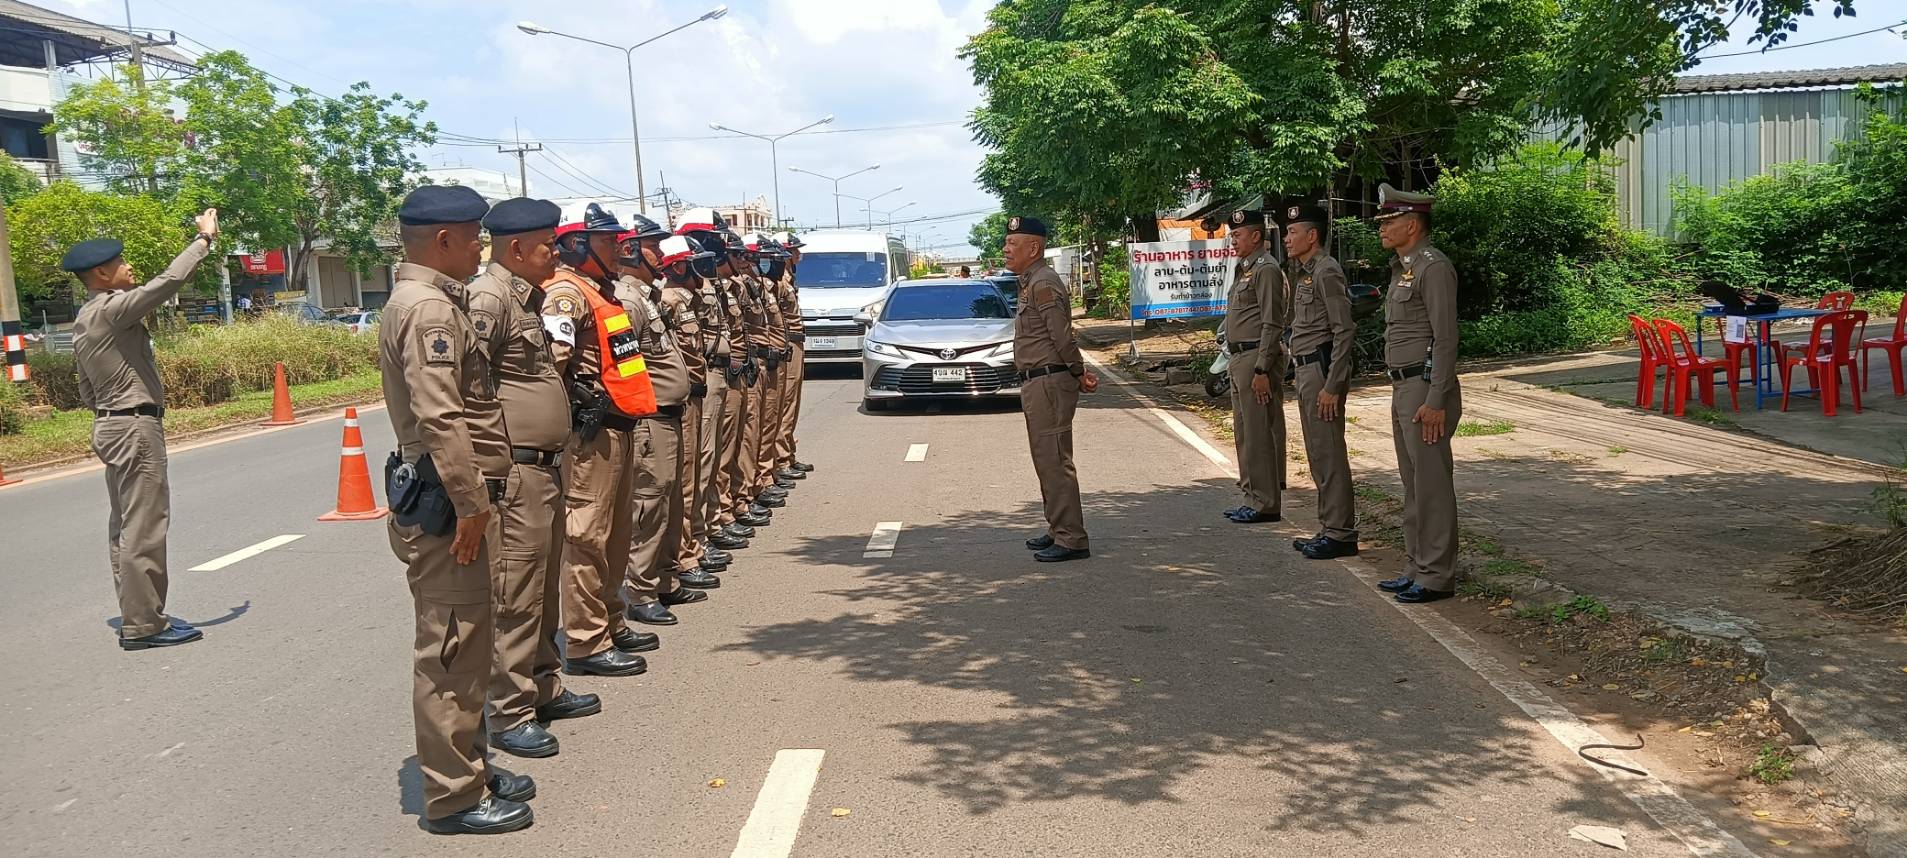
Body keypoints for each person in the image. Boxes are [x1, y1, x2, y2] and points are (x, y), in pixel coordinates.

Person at [379, 185, 535, 835]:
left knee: (469, 645)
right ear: (444, 240)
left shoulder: (434, 301)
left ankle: (471, 765)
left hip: (457, 498)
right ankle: (453, 795)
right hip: (449, 504)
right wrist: (472, 506)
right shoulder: (428, 310)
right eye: (475, 238)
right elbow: (440, 416)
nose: (481, 249)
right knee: (449, 650)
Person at [465, 198, 602, 760]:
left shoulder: (528, 297)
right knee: (516, 593)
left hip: (544, 467)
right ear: (517, 247)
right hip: (515, 470)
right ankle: (510, 709)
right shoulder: (489, 299)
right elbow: (469, 390)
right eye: (548, 245)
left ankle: (543, 684)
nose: (557, 253)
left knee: (543, 587)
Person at [69, 207, 219, 650]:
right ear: (102, 273)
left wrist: (111, 413)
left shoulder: (86, 317)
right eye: (121, 262)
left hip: (111, 424)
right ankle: (145, 626)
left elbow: (85, 386)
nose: (129, 266)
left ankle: (139, 614)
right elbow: (167, 283)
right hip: (133, 426)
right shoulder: (112, 309)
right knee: (145, 526)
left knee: (126, 526)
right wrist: (203, 240)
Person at [542, 204, 657, 675]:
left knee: (616, 534)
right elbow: (552, 369)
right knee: (586, 536)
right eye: (606, 240)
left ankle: (610, 620)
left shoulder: (599, 291)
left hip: (618, 428)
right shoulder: (566, 294)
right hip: (592, 436)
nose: (617, 247)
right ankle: (586, 641)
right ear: (576, 244)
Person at [1372, 184, 1462, 604]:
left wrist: (1437, 399)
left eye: (1388, 221)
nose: (1382, 229)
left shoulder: (1433, 267)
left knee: (1431, 485)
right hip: (1403, 386)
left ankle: (1437, 574)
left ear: (1412, 225)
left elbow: (1445, 338)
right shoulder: (1403, 268)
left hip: (1425, 389)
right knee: (1412, 483)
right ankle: (1417, 565)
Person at [616, 231, 711, 629]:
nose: (660, 253)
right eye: (653, 246)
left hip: (670, 414)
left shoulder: (648, 297)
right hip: (650, 419)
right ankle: (641, 591)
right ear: (631, 251)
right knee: (650, 505)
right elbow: (627, 367)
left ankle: (666, 578)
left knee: (671, 500)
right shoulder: (627, 300)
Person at [1006, 216, 1096, 562]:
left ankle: (1071, 537)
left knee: (1055, 460)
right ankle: (1058, 527)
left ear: (1034, 248)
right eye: (1007, 242)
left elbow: (1060, 334)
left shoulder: (1042, 282)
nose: (1006, 249)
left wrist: (1078, 371)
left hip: (1048, 382)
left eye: (1013, 243)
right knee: (1046, 459)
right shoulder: (1030, 281)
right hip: (1038, 381)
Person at [1279, 203, 1359, 560]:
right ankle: (1329, 527)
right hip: (1305, 370)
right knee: (1317, 452)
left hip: (1321, 371)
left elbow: (1344, 331)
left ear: (1312, 235)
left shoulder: (1326, 271)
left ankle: (1341, 533)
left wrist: (1332, 385)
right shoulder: (1305, 272)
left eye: (1292, 232)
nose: (1287, 238)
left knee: (1329, 452)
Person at [1220, 209, 1287, 525]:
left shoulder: (1267, 270)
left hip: (1255, 358)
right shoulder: (1244, 269)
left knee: (1260, 433)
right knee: (1245, 433)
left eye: (1237, 235)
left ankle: (1266, 502)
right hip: (1238, 358)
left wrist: (1262, 369)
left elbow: (1272, 322)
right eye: (1232, 235)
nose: (1233, 241)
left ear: (1256, 235)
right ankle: (1251, 496)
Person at [771, 232, 815, 478]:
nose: (799, 254)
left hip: (796, 341)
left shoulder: (788, 277)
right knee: (785, 402)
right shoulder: (778, 281)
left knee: (792, 402)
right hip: (787, 342)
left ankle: (788, 453)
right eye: (794, 250)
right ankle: (781, 459)